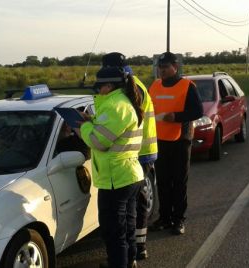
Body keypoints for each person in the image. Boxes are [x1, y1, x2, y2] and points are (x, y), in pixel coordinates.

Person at [75, 66, 144, 268]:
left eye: (99, 87)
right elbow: (110, 130)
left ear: (108, 86)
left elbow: (99, 141)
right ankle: (129, 260)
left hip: (116, 179)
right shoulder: (121, 102)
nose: (97, 91)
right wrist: (92, 120)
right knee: (127, 227)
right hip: (128, 175)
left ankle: (119, 264)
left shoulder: (115, 105)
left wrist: (82, 127)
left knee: (113, 232)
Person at [101, 52, 157, 260]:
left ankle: (136, 251)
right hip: (141, 151)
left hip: (135, 153)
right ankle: (135, 250)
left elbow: (112, 128)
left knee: (133, 208)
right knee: (134, 206)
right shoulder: (135, 84)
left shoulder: (125, 91)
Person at [148, 52, 203, 235]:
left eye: (166, 67)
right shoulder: (154, 86)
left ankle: (179, 219)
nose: (162, 70)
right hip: (160, 141)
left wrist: (177, 117)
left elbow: (197, 111)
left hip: (181, 141)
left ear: (175, 67)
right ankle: (164, 218)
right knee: (163, 182)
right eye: (160, 67)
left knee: (179, 182)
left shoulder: (187, 86)